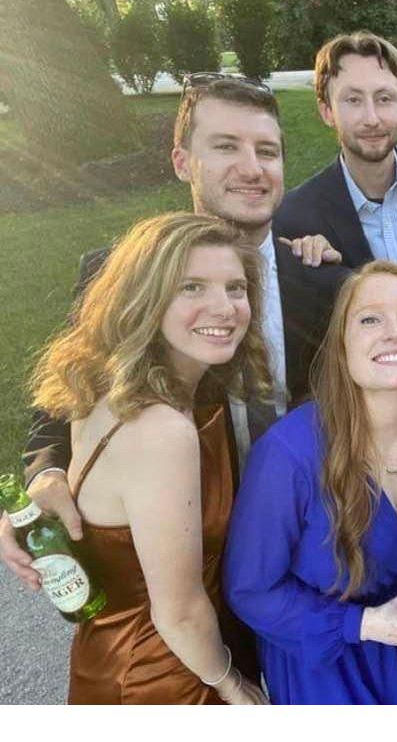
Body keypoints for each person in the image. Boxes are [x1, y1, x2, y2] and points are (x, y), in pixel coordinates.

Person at [2, 75, 349, 593]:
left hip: (308, 546)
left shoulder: (326, 279)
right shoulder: (122, 273)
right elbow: (72, 379)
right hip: (186, 553)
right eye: (226, 147)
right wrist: (44, 473)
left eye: (267, 151)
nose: (252, 169)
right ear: (183, 162)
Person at [29, 212, 273, 704]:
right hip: (166, 676)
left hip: (111, 656)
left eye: (236, 288)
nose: (224, 307)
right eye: (192, 287)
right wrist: (233, 684)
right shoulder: (161, 431)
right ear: (146, 297)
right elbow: (178, 611)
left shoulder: (108, 390)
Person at [223, 261, 397, 704]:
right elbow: (251, 590)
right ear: (342, 345)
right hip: (325, 664)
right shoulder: (287, 454)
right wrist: (369, 625)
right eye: (370, 319)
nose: (395, 333)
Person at [273, 31, 397, 289]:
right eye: (353, 100)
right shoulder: (294, 218)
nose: (371, 118)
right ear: (327, 112)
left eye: (384, 99)